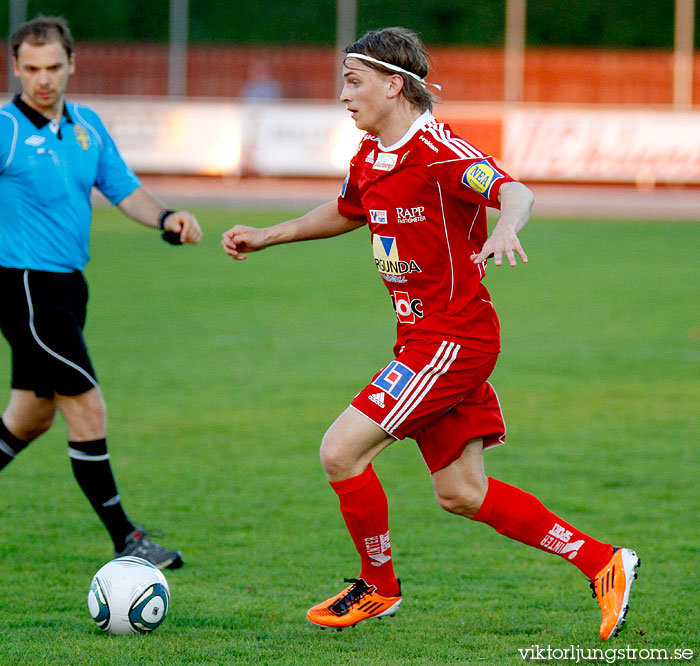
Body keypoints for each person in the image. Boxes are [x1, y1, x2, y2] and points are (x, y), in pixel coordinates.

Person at [221, 27, 639, 640]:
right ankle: (602, 561)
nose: (344, 95)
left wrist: (506, 227)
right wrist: (269, 234)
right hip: (424, 339)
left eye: (354, 81)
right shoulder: (370, 156)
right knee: (462, 492)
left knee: (340, 451)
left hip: (451, 340)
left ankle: (378, 587)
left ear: (395, 86)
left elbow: (514, 191)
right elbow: (345, 209)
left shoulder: (439, 151)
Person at [0, 16, 202, 569]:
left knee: (30, 416)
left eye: (54, 67)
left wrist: (167, 217)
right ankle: (128, 539)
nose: (43, 79)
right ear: (16, 68)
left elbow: (122, 189)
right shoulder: (6, 129)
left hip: (69, 287)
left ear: (71, 65)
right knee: (86, 405)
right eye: (32, 68)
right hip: (23, 286)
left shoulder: (87, 124)